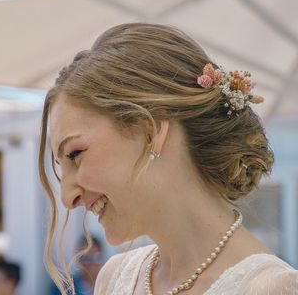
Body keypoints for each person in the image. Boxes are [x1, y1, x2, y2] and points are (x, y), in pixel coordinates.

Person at [39, 23, 298, 294]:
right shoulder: (113, 278)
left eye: (75, 154)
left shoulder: (273, 288)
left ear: (150, 131)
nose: (68, 198)